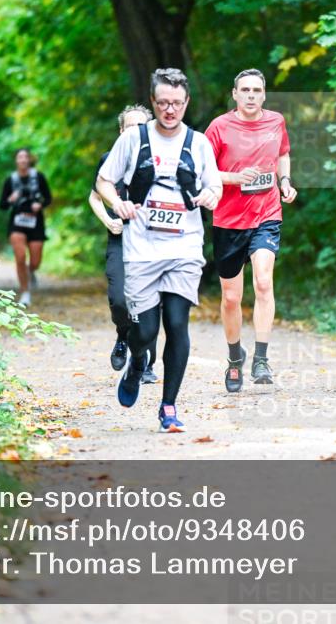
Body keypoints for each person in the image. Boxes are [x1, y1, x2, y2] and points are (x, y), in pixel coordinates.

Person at [95, 68, 222, 433]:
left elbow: (215, 186)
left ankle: (169, 407)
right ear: (153, 102)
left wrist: (212, 195)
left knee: (178, 324)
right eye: (163, 103)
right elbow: (104, 180)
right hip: (141, 251)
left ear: (187, 103)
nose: (170, 110)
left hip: (183, 248)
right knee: (146, 331)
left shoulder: (198, 144)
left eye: (177, 103)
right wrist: (117, 202)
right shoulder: (133, 140)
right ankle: (137, 362)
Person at [205, 68, 297, 392]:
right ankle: (234, 359)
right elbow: (203, 171)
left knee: (262, 281)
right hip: (228, 220)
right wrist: (234, 178)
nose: (251, 95)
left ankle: (261, 358)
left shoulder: (276, 122)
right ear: (235, 94)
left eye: (257, 90)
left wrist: (284, 181)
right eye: (244, 90)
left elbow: (283, 153)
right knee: (231, 298)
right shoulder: (219, 127)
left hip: (266, 214)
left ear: (264, 94)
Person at [89, 104, 158, 384]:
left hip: (153, 241)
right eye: (130, 126)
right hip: (120, 238)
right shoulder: (109, 159)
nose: (135, 131)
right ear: (121, 131)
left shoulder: (159, 160)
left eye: (141, 126)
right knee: (119, 300)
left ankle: (146, 363)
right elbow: (94, 197)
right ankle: (122, 334)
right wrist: (108, 220)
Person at [0, 148, 52, 307]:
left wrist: (40, 204)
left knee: (35, 262)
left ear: (29, 160)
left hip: (36, 223)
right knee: (20, 257)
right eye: (19, 157)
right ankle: (25, 292)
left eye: (25, 157)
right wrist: (10, 199)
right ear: (16, 161)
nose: (22, 160)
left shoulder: (39, 177)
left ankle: (31, 272)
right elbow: (2, 205)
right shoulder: (11, 180)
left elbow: (48, 198)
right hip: (17, 223)